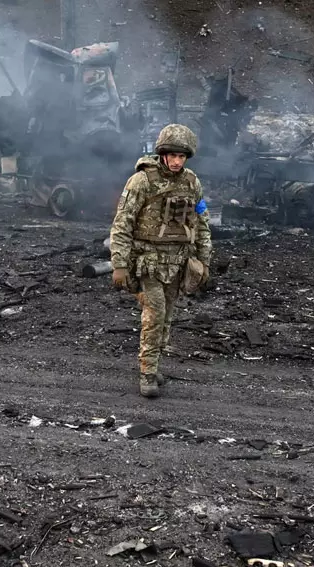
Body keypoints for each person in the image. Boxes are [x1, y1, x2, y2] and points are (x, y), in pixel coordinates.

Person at [108, 124, 212, 398]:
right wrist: (120, 264)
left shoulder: (192, 182)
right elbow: (122, 223)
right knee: (154, 317)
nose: (177, 161)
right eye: (173, 155)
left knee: (166, 318)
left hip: (178, 263)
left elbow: (202, 223)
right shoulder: (141, 181)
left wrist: (204, 260)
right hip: (148, 262)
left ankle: (153, 365)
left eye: (182, 156)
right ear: (163, 154)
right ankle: (147, 373)